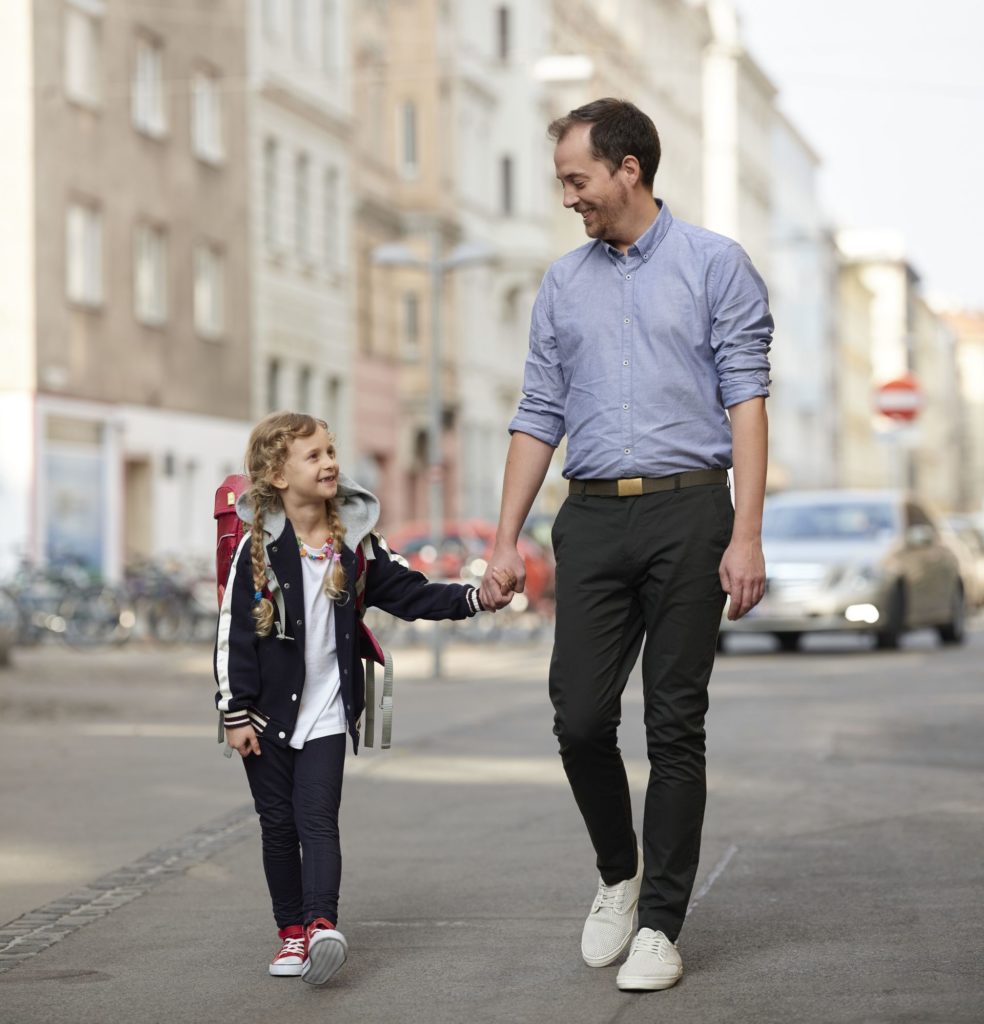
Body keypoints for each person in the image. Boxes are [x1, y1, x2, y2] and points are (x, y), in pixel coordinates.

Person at [479, 98, 773, 992]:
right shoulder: (563, 283)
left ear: (628, 170)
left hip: (691, 513)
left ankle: (662, 923)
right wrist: (503, 542)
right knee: (577, 717)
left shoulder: (716, 265)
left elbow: (747, 401)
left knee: (675, 722)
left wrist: (746, 533)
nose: (570, 197)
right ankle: (618, 872)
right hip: (593, 516)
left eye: (578, 179)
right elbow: (538, 415)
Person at [214, 411, 506, 985]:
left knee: (318, 818)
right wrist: (233, 713)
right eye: (314, 456)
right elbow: (233, 636)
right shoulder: (258, 549)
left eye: (330, 451)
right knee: (278, 827)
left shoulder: (357, 545)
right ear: (277, 475)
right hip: (264, 716)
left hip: (327, 710)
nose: (330, 463)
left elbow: (410, 593)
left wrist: (475, 598)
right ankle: (291, 935)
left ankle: (322, 925)